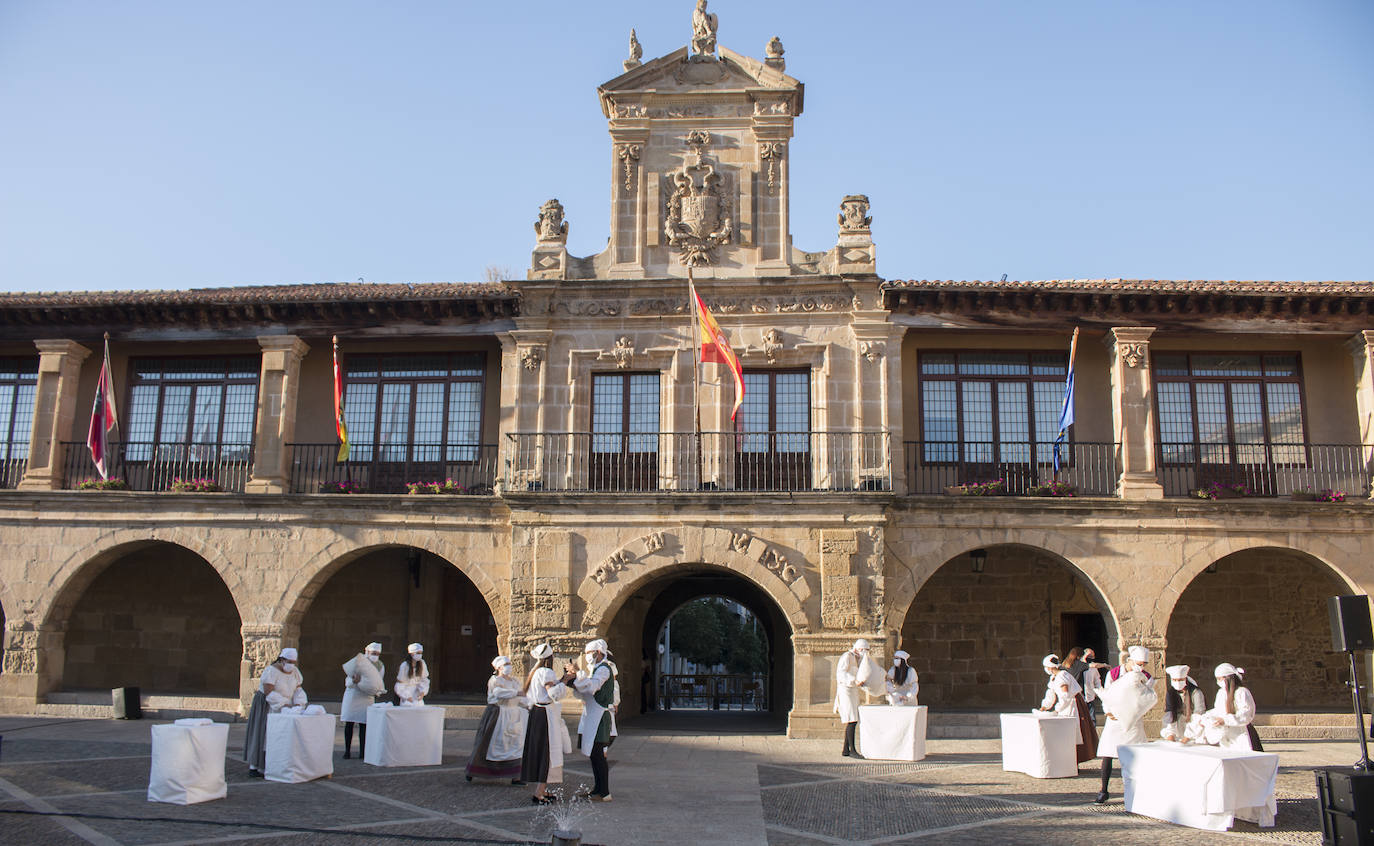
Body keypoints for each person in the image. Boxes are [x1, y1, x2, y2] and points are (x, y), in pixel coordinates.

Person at [1094, 645, 1157, 804]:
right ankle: (1103, 790)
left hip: (1133, 721)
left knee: (1135, 755)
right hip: (1114, 719)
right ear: (1130, 660)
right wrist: (1108, 711)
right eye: (1139, 663)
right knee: (1108, 754)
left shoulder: (1146, 677)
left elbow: (1146, 699)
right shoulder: (1114, 674)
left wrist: (1136, 712)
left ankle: (1137, 790)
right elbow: (1107, 693)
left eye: (1144, 664)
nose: (1141, 666)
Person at [520, 643, 575, 804]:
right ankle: (539, 793)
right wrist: (565, 680)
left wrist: (561, 680)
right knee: (547, 752)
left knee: (541, 751)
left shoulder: (535, 671)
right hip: (545, 716)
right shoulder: (546, 672)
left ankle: (543, 789)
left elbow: (546, 689)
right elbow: (552, 693)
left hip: (537, 713)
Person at [243, 647, 308, 778]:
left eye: (293, 662)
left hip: (286, 707)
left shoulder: (295, 672)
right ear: (282, 660)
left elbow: (298, 689)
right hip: (268, 705)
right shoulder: (271, 671)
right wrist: (283, 703)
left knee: (280, 735)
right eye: (289, 661)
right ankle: (256, 766)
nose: (291, 665)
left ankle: (277, 764)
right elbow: (269, 691)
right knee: (264, 733)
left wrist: (299, 703)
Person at [465, 655, 528, 782]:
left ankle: (515, 776)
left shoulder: (514, 681)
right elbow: (498, 693)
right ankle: (475, 770)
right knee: (490, 743)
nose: (508, 666)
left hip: (513, 715)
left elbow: (521, 697)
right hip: (498, 713)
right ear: (499, 667)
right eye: (506, 664)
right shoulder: (495, 680)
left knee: (515, 745)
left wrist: (528, 704)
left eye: (509, 664)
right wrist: (516, 693)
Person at [572, 639, 618, 802]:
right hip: (592, 714)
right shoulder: (596, 669)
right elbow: (585, 689)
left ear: (598, 653)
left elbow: (592, 687)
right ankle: (597, 789)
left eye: (589, 653)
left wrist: (578, 673)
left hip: (600, 716)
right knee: (594, 754)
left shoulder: (604, 669)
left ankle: (604, 792)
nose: (588, 657)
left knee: (598, 754)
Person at [1037, 654, 1097, 764]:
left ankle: (1074, 761)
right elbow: (1051, 693)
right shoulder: (1054, 678)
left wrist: (1057, 709)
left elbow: (1065, 695)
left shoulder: (1063, 676)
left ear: (1050, 667)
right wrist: (1045, 705)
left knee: (1074, 731)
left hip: (1072, 705)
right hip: (1065, 705)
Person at [834, 638, 880, 758]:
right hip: (845, 690)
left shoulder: (858, 659)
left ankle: (845, 749)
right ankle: (852, 750)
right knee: (852, 719)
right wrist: (854, 680)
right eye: (864, 650)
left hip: (853, 690)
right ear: (858, 649)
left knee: (852, 718)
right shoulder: (847, 656)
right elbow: (841, 673)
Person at [340, 642, 385, 759]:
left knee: (364, 726)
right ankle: (347, 751)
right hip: (353, 695)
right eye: (373, 653)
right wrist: (354, 682)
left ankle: (363, 752)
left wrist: (377, 691)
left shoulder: (380, 666)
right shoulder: (359, 663)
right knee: (349, 723)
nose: (375, 655)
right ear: (367, 652)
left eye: (377, 653)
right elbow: (348, 680)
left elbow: (379, 681)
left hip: (367, 698)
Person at [1203, 663, 1260, 751]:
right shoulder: (1221, 693)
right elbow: (1219, 710)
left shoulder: (1242, 692)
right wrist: (1208, 716)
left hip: (1241, 732)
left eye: (1220, 679)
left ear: (1228, 678)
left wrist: (1226, 720)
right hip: (1227, 734)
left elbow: (1246, 713)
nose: (1218, 682)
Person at [1160, 664, 1206, 743]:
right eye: (1175, 680)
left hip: (1195, 734)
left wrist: (1186, 738)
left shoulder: (1196, 693)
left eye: (1180, 680)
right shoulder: (1171, 694)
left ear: (1185, 679)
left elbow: (1198, 715)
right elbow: (1169, 715)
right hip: (1179, 732)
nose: (1177, 682)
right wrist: (1170, 735)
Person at [1081, 648, 1106, 719]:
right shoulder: (1079, 665)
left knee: (1092, 718)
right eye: (1089, 656)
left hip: (1090, 696)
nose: (1091, 658)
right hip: (1080, 696)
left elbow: (1097, 681)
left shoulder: (1094, 668)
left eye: (1092, 656)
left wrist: (1101, 692)